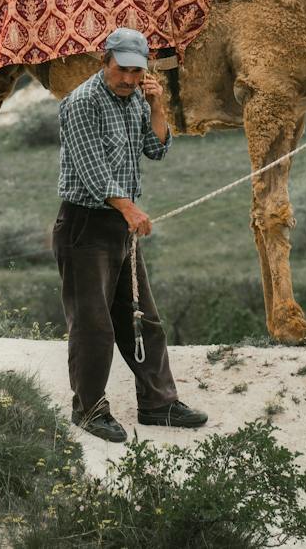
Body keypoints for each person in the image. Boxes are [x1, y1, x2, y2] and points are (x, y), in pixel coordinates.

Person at [53, 26, 209, 442]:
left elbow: (156, 148)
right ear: (104, 62)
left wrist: (157, 105)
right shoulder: (82, 103)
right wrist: (128, 208)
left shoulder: (136, 98)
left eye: (137, 73)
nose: (129, 80)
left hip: (121, 227)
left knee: (144, 319)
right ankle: (87, 409)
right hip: (85, 226)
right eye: (122, 70)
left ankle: (158, 403)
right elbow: (92, 172)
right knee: (93, 325)